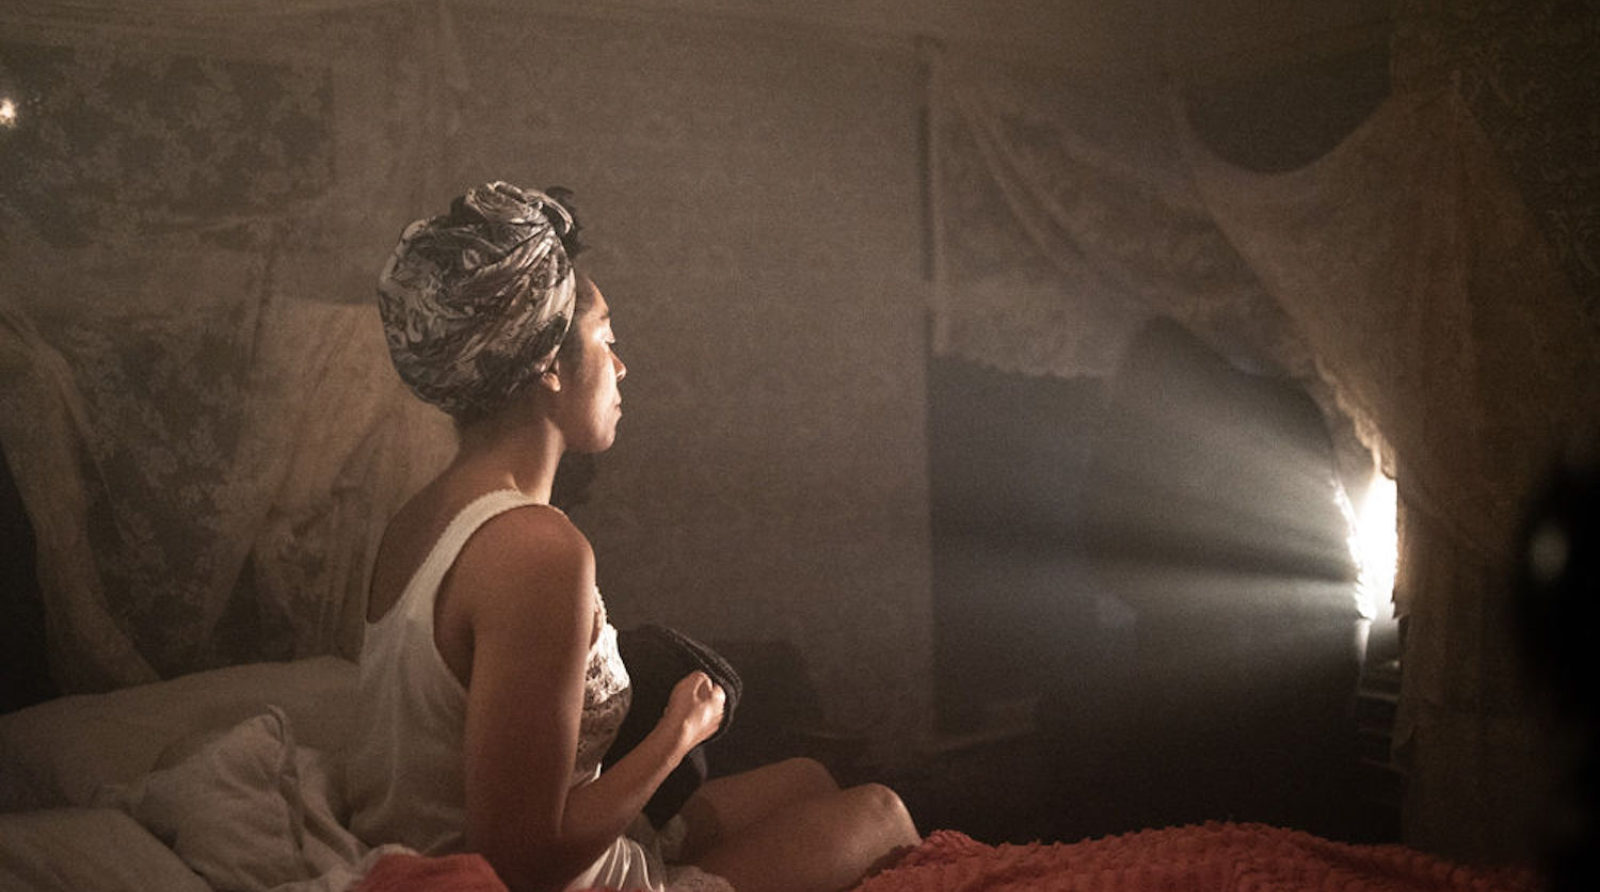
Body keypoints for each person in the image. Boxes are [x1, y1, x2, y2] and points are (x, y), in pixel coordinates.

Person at [346, 181, 920, 892]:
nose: (621, 368)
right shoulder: (537, 550)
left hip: (439, 846)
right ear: (550, 366)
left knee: (810, 776)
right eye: (607, 339)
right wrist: (678, 732)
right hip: (548, 882)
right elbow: (518, 862)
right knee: (883, 813)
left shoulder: (421, 516)